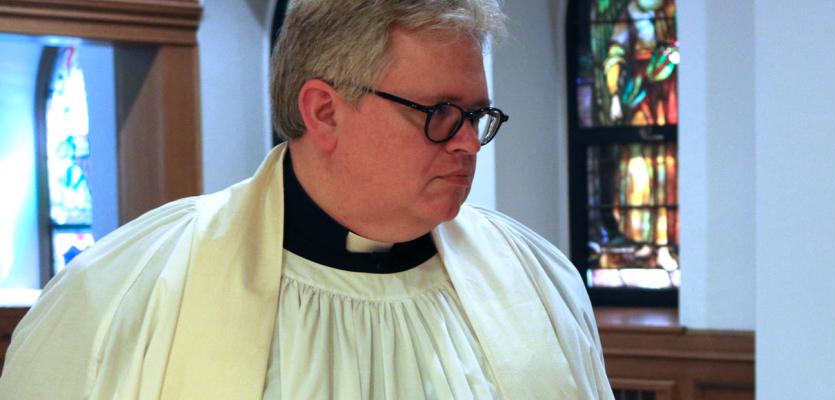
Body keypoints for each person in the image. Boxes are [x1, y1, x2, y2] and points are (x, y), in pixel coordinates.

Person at [0, 0, 613, 398]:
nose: (468, 146)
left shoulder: (538, 281)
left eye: (476, 115)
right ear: (323, 112)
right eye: (440, 113)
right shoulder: (127, 289)